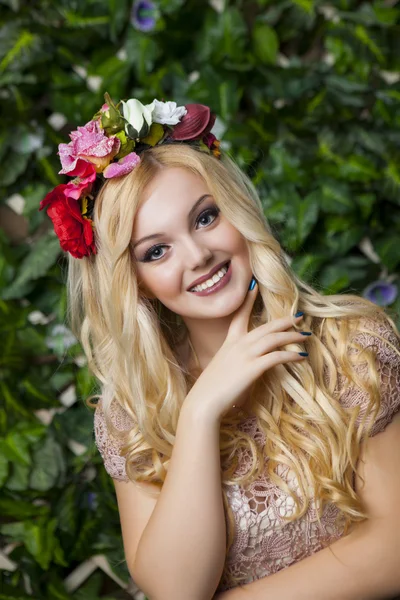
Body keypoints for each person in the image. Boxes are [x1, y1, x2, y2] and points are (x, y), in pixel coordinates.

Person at [40, 93, 400, 600]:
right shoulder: (132, 412)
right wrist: (201, 411)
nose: (199, 255)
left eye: (206, 217)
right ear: (136, 281)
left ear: (237, 210)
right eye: (157, 250)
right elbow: (176, 589)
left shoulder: (353, 345)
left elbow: (391, 552)